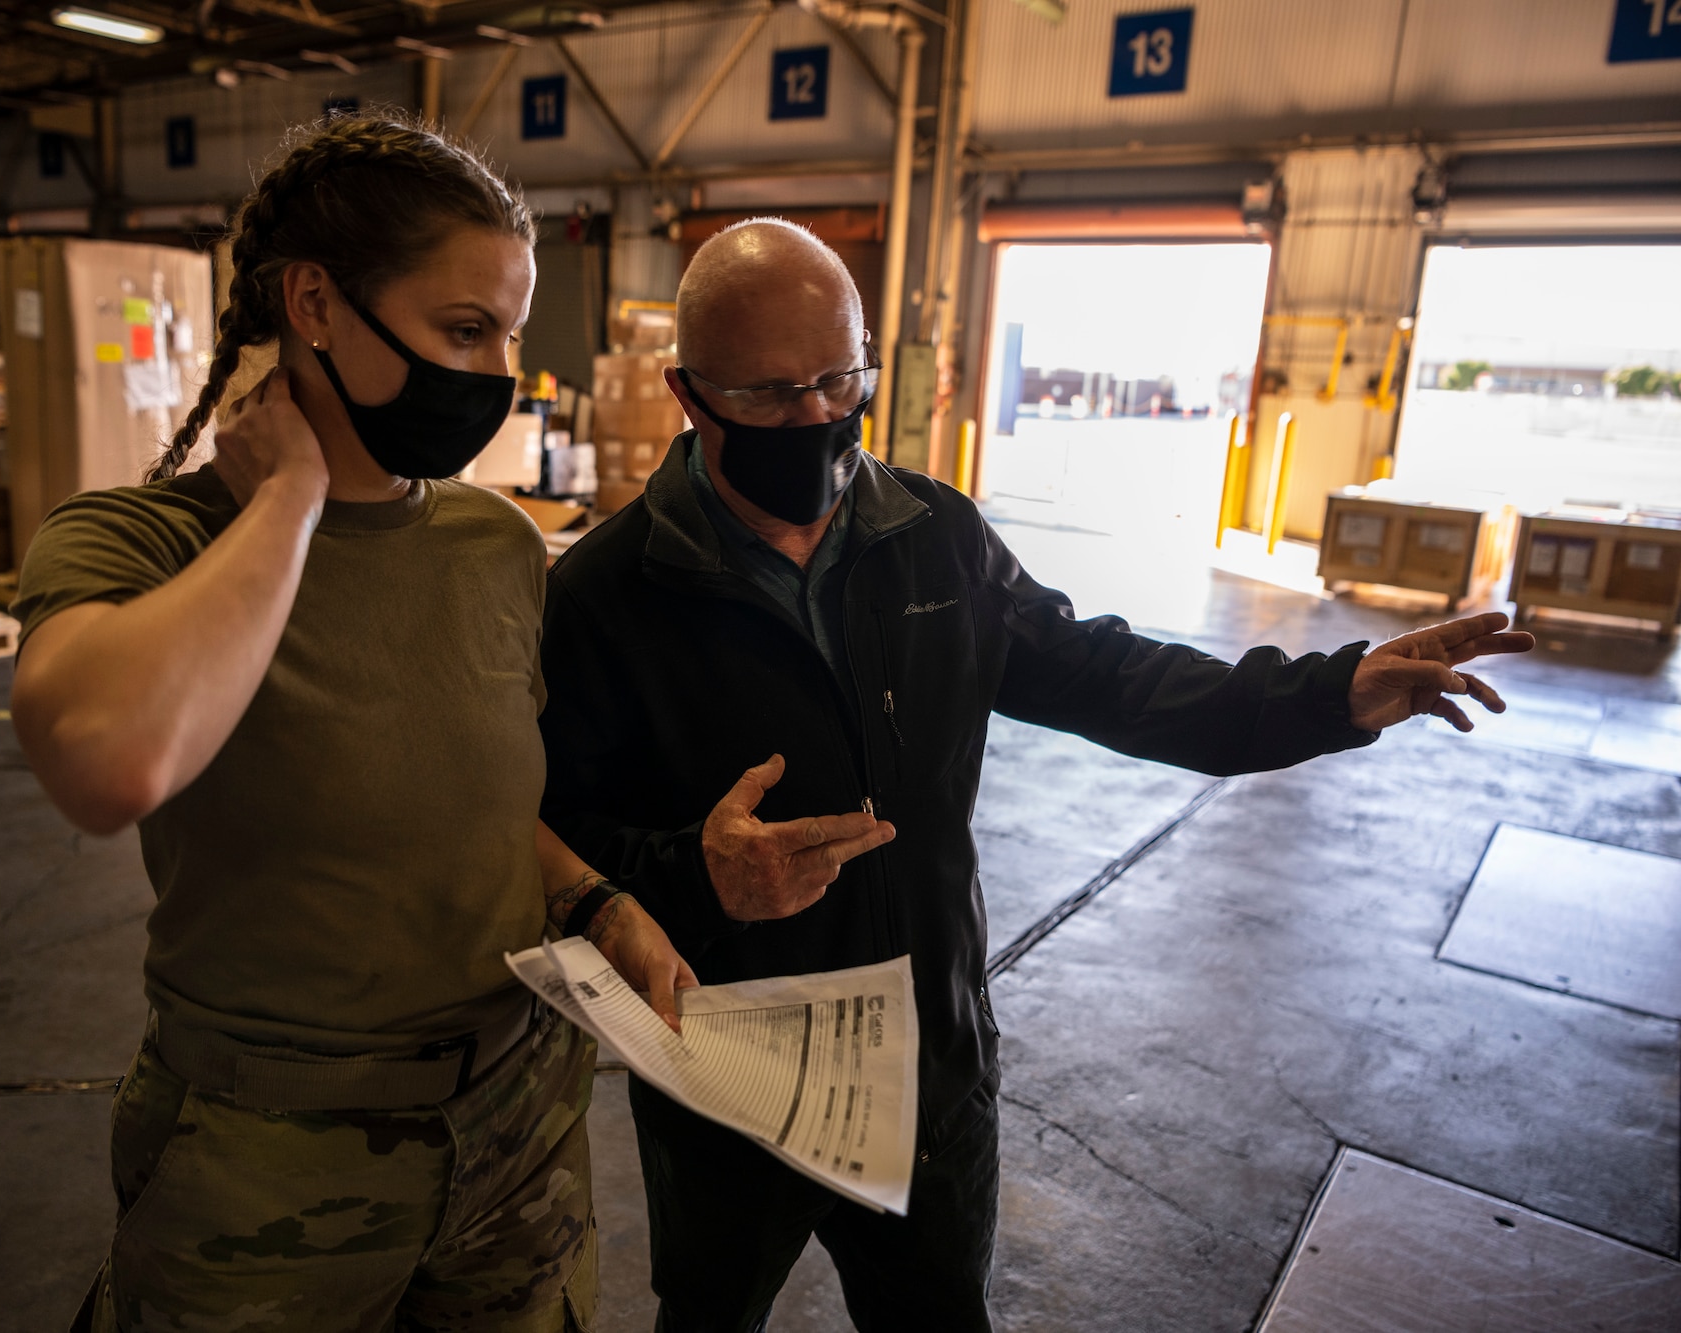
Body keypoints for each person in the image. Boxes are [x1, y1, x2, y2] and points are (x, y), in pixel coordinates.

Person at [536, 218, 1533, 1332]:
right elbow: (551, 836)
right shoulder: (603, 597)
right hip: (723, 1073)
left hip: (923, 1055)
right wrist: (693, 874)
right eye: (769, 395)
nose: (814, 417)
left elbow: (1105, 676)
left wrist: (1323, 694)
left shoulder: (935, 537)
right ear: (685, 390)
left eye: (838, 379)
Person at [9, 111, 693, 1333]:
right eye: (463, 328)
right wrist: (288, 500)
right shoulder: (144, 541)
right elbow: (105, 759)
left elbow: (471, 805)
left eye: (509, 335)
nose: (496, 374)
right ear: (313, 302)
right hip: (271, 1154)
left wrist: (595, 901)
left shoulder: (493, 545)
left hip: (519, 1117)